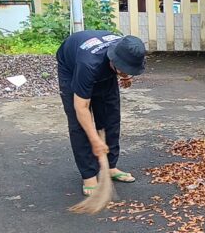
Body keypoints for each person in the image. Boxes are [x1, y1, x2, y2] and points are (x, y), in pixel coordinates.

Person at [56, 31, 147, 195]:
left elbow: (128, 63)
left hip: (104, 65)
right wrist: (95, 140)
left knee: (110, 116)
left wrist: (125, 74)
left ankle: (110, 167)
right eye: (123, 68)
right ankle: (89, 174)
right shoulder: (88, 64)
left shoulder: (128, 47)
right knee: (79, 125)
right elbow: (81, 108)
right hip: (71, 68)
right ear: (114, 60)